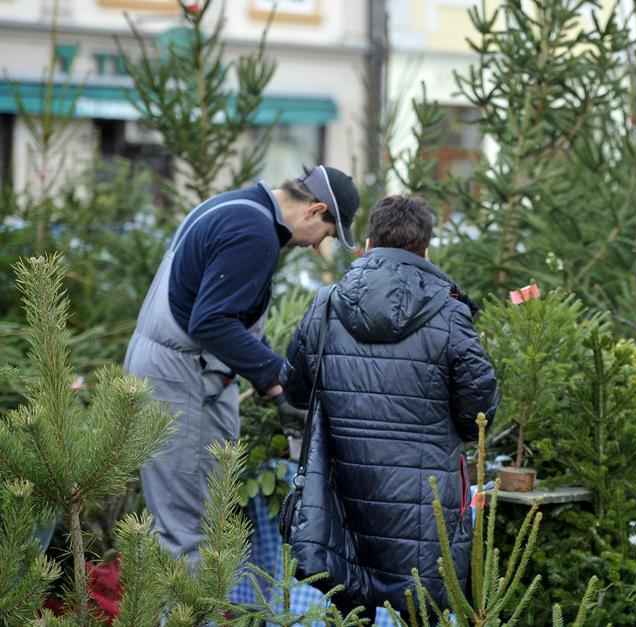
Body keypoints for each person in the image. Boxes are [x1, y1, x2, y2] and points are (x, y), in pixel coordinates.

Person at [124, 166, 360, 559]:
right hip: (182, 379)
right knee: (189, 531)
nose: (319, 246)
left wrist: (278, 382)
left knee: (199, 520)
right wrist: (278, 379)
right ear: (314, 210)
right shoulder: (254, 232)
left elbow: (233, 315)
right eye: (328, 234)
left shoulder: (237, 207)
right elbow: (211, 321)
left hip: (173, 367)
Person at [280, 195, 499, 618]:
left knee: (347, 610)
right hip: (425, 516)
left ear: (366, 243)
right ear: (427, 250)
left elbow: (294, 390)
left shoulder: (325, 306)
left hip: (342, 505)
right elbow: (480, 415)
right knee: (423, 609)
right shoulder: (451, 314)